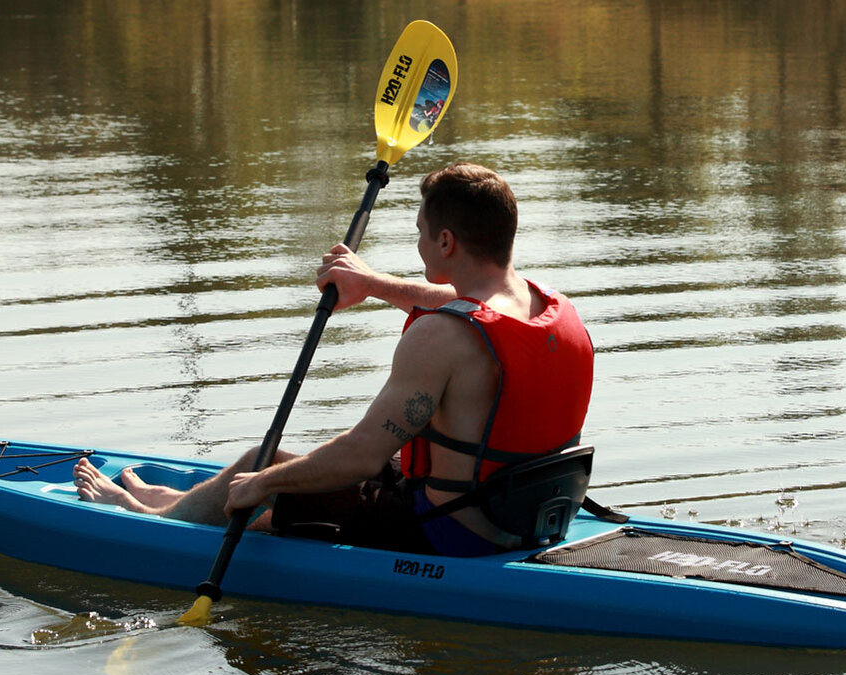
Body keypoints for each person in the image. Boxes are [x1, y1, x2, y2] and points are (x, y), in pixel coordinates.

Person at [73, 163, 594, 556]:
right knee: (269, 465)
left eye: (419, 232)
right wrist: (368, 284)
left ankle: (146, 520)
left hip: (453, 532)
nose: (417, 243)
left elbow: (362, 457)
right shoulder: (549, 306)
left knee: (268, 481)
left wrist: (266, 486)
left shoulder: (439, 339)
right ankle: (171, 505)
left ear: (445, 240)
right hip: (527, 515)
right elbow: (464, 308)